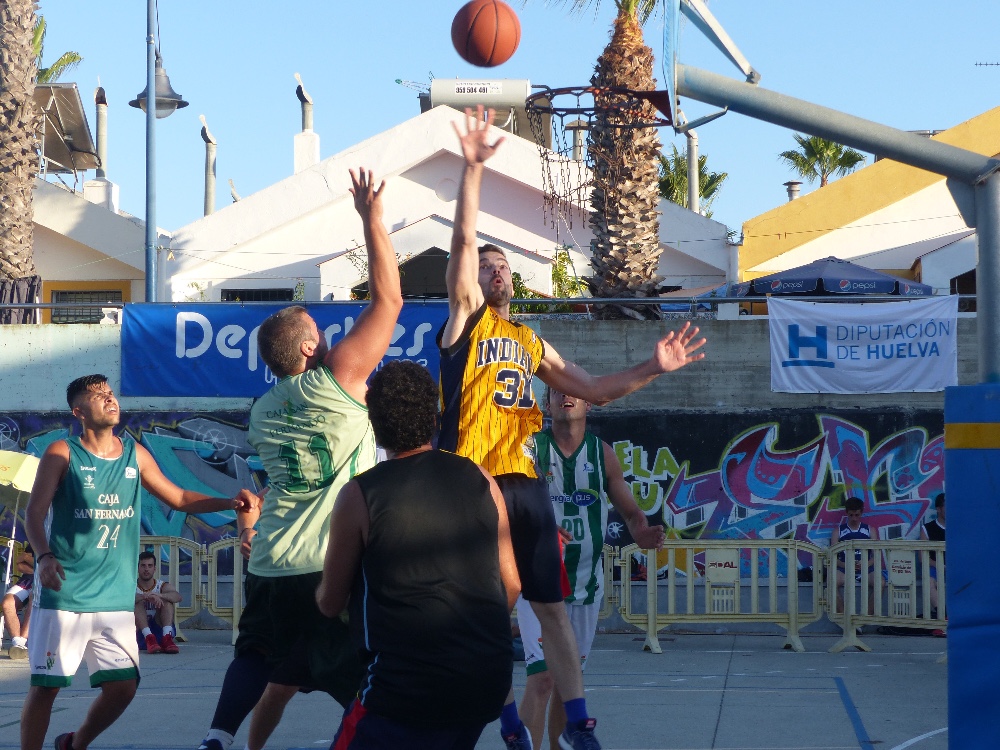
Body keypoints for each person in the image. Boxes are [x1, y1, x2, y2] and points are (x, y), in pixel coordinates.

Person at [439, 106, 706, 750]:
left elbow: (593, 391)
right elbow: (463, 244)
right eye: (487, 265)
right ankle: (506, 718)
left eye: (503, 266)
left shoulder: (531, 342)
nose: (494, 270)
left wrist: (653, 365)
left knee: (551, 610)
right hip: (472, 480)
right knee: (482, 613)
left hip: (522, 481)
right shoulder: (463, 325)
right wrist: (473, 172)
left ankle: (580, 725)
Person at [198, 167, 403, 750]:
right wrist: (371, 219)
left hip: (270, 559)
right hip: (327, 560)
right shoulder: (336, 383)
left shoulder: (261, 411)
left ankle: (216, 738)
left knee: (259, 659)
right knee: (363, 677)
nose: (334, 338)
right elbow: (390, 298)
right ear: (312, 349)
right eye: (323, 332)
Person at [20, 374, 260, 750]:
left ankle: (75, 742)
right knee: (46, 687)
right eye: (98, 396)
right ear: (78, 411)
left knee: (123, 688)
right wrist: (45, 556)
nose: (109, 399)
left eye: (111, 393)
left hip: (115, 597)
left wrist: (228, 502)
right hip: (66, 595)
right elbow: (35, 514)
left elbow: (179, 497)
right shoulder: (61, 454)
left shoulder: (135, 454)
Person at [317, 360, 521, 749]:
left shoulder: (360, 494)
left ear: (374, 425)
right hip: (486, 679)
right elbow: (510, 585)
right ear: (434, 417)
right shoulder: (481, 477)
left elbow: (330, 603)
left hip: (404, 687)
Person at [515, 388, 665, 750]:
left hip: (585, 584)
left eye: (573, 393)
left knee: (570, 682)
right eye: (556, 393)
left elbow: (630, 511)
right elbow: (510, 504)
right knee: (543, 678)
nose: (565, 397)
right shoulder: (531, 450)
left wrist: (641, 531)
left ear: (587, 404)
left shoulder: (603, 455)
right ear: (547, 404)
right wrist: (537, 527)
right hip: (538, 580)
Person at [831, 496, 879, 619]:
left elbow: (877, 555)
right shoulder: (838, 531)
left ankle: (864, 617)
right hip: (844, 569)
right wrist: (846, 565)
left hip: (866, 569)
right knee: (831, 583)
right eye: (851, 515)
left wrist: (865, 564)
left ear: (861, 513)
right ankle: (844, 618)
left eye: (857, 515)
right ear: (847, 513)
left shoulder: (870, 530)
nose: (854, 518)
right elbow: (833, 556)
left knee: (880, 583)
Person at [134, 550, 182, 654]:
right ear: (137, 568)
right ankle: (149, 638)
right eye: (143, 566)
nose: (146, 569)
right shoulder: (131, 586)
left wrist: (158, 595)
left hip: (159, 628)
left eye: (150, 566)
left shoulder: (161, 586)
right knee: (135, 601)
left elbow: (177, 597)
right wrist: (144, 596)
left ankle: (167, 637)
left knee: (167, 601)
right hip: (140, 632)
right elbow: (123, 598)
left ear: (154, 568)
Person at [920, 493, 946, 635]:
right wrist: (940, 565)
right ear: (938, 509)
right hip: (936, 567)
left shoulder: (959, 528)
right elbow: (922, 557)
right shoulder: (927, 528)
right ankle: (944, 616)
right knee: (928, 581)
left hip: (958, 568)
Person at [4, 542, 34, 659]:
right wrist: (37, 565)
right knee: (7, 603)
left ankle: (20, 643)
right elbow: (20, 565)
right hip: (26, 581)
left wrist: (28, 558)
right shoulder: (35, 540)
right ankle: (18, 644)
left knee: (35, 598)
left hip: (45, 581)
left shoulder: (58, 540)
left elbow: (56, 566)